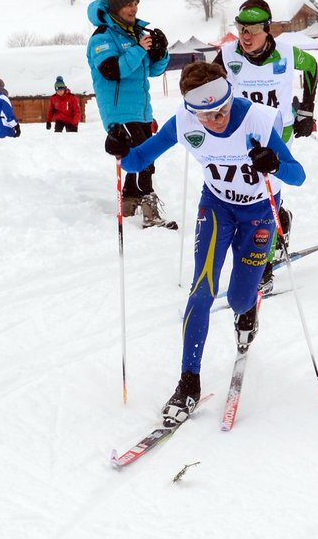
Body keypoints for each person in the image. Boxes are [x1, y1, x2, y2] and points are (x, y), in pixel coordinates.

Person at [102, 61, 305, 427]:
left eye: (223, 110)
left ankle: (249, 308)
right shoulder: (183, 121)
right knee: (202, 290)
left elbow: (298, 175)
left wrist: (273, 163)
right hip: (216, 208)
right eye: (207, 115)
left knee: (241, 298)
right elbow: (137, 160)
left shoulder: (257, 119)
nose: (216, 120)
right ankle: (188, 381)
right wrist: (120, 148)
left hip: (259, 213)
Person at [212, 0, 318, 294]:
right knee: (249, 192)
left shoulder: (286, 53)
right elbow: (208, 82)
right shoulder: (228, 54)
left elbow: (311, 67)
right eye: (240, 28)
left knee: (266, 191)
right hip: (242, 132)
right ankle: (279, 220)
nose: (245, 36)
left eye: (252, 30)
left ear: (267, 30)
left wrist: (307, 112)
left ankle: (264, 265)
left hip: (278, 132)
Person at [86, 0, 175, 229]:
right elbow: (112, 70)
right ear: (114, 8)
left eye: (135, 2)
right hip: (118, 110)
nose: (133, 8)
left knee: (139, 154)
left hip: (141, 109)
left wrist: (160, 51)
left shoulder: (135, 32)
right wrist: (138, 49)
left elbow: (152, 71)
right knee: (145, 156)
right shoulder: (102, 37)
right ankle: (148, 209)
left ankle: (128, 200)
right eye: (127, 4)